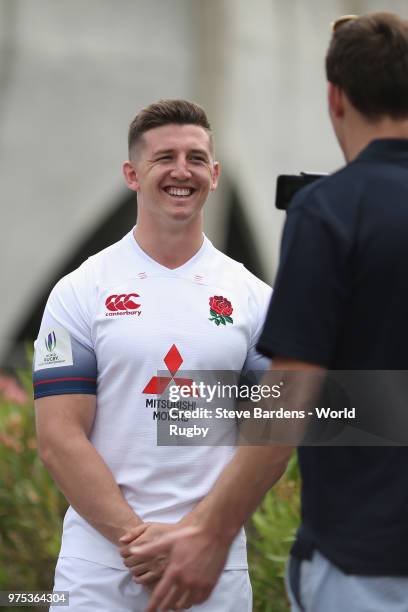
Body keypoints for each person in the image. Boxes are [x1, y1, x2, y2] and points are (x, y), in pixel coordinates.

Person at [134, 13, 408, 612]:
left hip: (368, 559)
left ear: (335, 98)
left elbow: (292, 391)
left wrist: (211, 531)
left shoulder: (332, 210)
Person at [32, 99, 271, 611]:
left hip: (213, 566)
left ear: (215, 174)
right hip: (100, 570)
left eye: (196, 157)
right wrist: (138, 540)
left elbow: (270, 434)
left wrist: (196, 536)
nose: (181, 171)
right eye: (164, 158)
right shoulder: (79, 291)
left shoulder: (255, 297)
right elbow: (58, 437)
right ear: (132, 174)